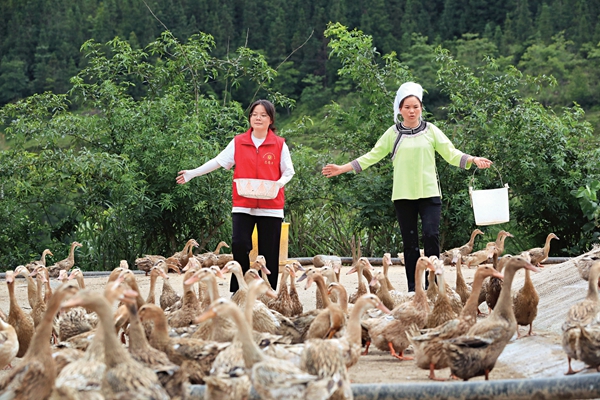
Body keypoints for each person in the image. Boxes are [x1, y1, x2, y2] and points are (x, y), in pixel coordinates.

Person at [322, 82, 492, 292]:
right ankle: (414, 289)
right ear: (400, 110)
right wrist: (342, 168)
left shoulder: (431, 131)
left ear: (421, 108)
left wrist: (473, 159)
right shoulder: (393, 134)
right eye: (407, 107)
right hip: (403, 196)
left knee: (431, 236)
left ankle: (436, 286)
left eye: (416, 107)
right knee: (410, 243)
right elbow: (371, 156)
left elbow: (451, 153)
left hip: (429, 193)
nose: (412, 111)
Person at [176, 99, 294, 292]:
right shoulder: (239, 142)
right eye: (255, 114)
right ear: (249, 118)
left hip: (271, 205)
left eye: (263, 115)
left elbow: (288, 171)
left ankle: (268, 293)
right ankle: (240, 289)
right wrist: (192, 173)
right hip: (243, 203)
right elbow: (218, 161)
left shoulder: (279, 144)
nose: (258, 118)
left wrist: (278, 184)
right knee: (239, 243)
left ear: (270, 119)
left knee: (269, 252)